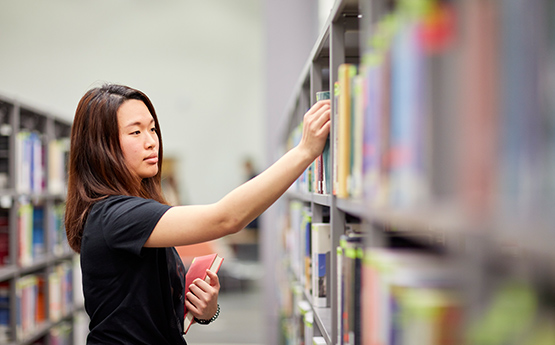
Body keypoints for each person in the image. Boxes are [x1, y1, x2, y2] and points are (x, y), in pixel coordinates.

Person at [64, 84, 331, 344]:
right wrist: (305, 151)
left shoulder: (133, 208)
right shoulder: (115, 215)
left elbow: (142, 309)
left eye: (153, 129)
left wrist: (204, 309)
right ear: (101, 146)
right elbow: (226, 218)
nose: (151, 142)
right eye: (135, 132)